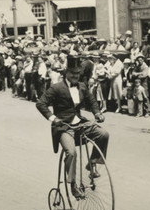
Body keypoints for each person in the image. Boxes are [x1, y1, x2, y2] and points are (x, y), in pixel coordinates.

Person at [36, 56, 108, 199]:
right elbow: (41, 103)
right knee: (71, 152)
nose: (75, 76)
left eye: (77, 73)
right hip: (63, 127)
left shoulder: (82, 86)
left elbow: (92, 100)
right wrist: (53, 118)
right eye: (72, 73)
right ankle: (73, 185)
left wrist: (97, 112)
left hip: (80, 123)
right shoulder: (56, 88)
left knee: (103, 134)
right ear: (66, 73)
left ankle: (92, 163)